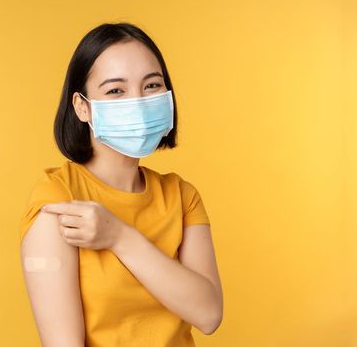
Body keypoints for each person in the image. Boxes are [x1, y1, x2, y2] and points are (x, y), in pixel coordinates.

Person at [19, 22, 223, 347]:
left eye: (152, 85)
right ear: (82, 107)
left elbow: (209, 313)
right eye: (116, 90)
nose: (139, 102)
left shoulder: (182, 196)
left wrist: (118, 236)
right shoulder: (59, 197)